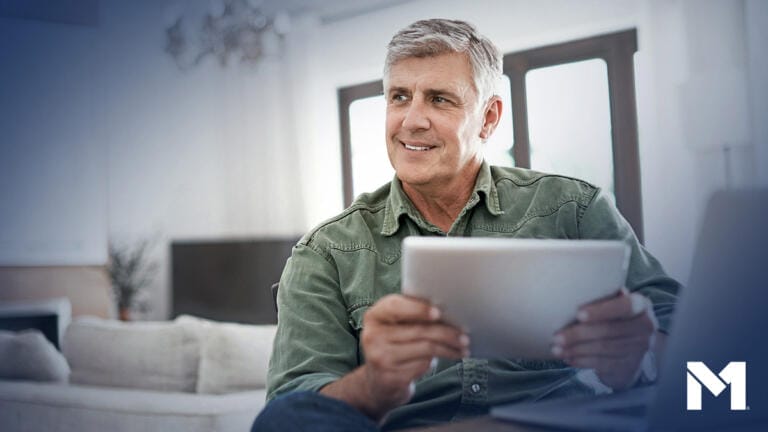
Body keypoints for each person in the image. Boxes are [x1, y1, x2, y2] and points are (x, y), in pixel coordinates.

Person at [252, 19, 679, 431]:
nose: (411, 121)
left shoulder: (574, 208)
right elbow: (295, 408)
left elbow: (711, 362)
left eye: (439, 99)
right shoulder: (326, 251)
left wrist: (642, 356)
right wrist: (376, 383)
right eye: (399, 97)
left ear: (489, 118)